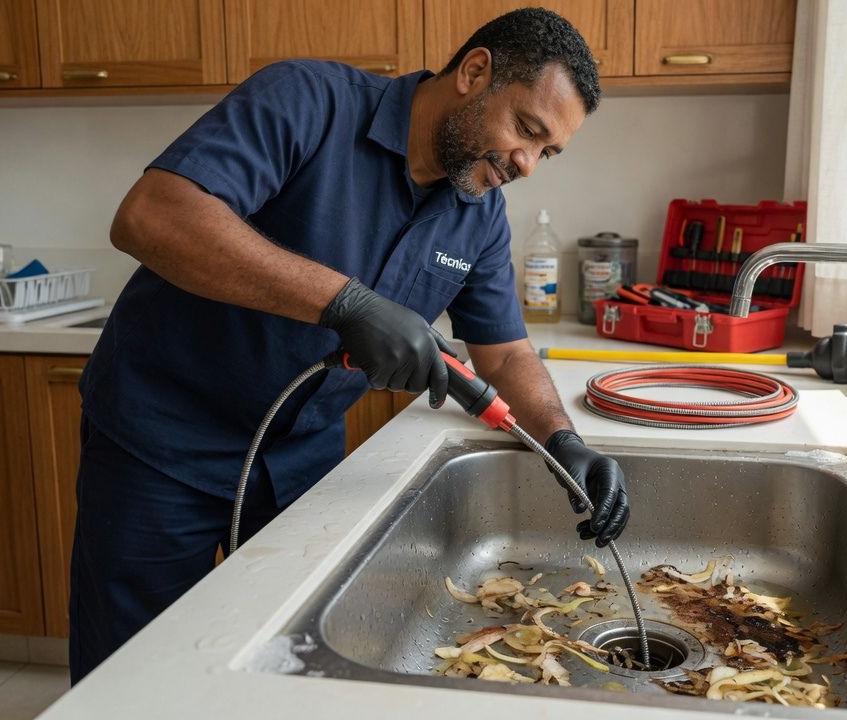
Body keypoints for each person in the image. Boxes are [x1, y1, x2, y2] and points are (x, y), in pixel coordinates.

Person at [69, 8, 630, 684]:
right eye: (527, 130)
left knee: (283, 672)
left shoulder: (479, 215)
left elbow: (505, 355)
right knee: (133, 678)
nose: (528, 165)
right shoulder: (307, 101)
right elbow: (151, 215)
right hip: (160, 447)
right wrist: (345, 302)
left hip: (304, 466)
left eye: (548, 152)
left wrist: (563, 442)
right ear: (475, 72)